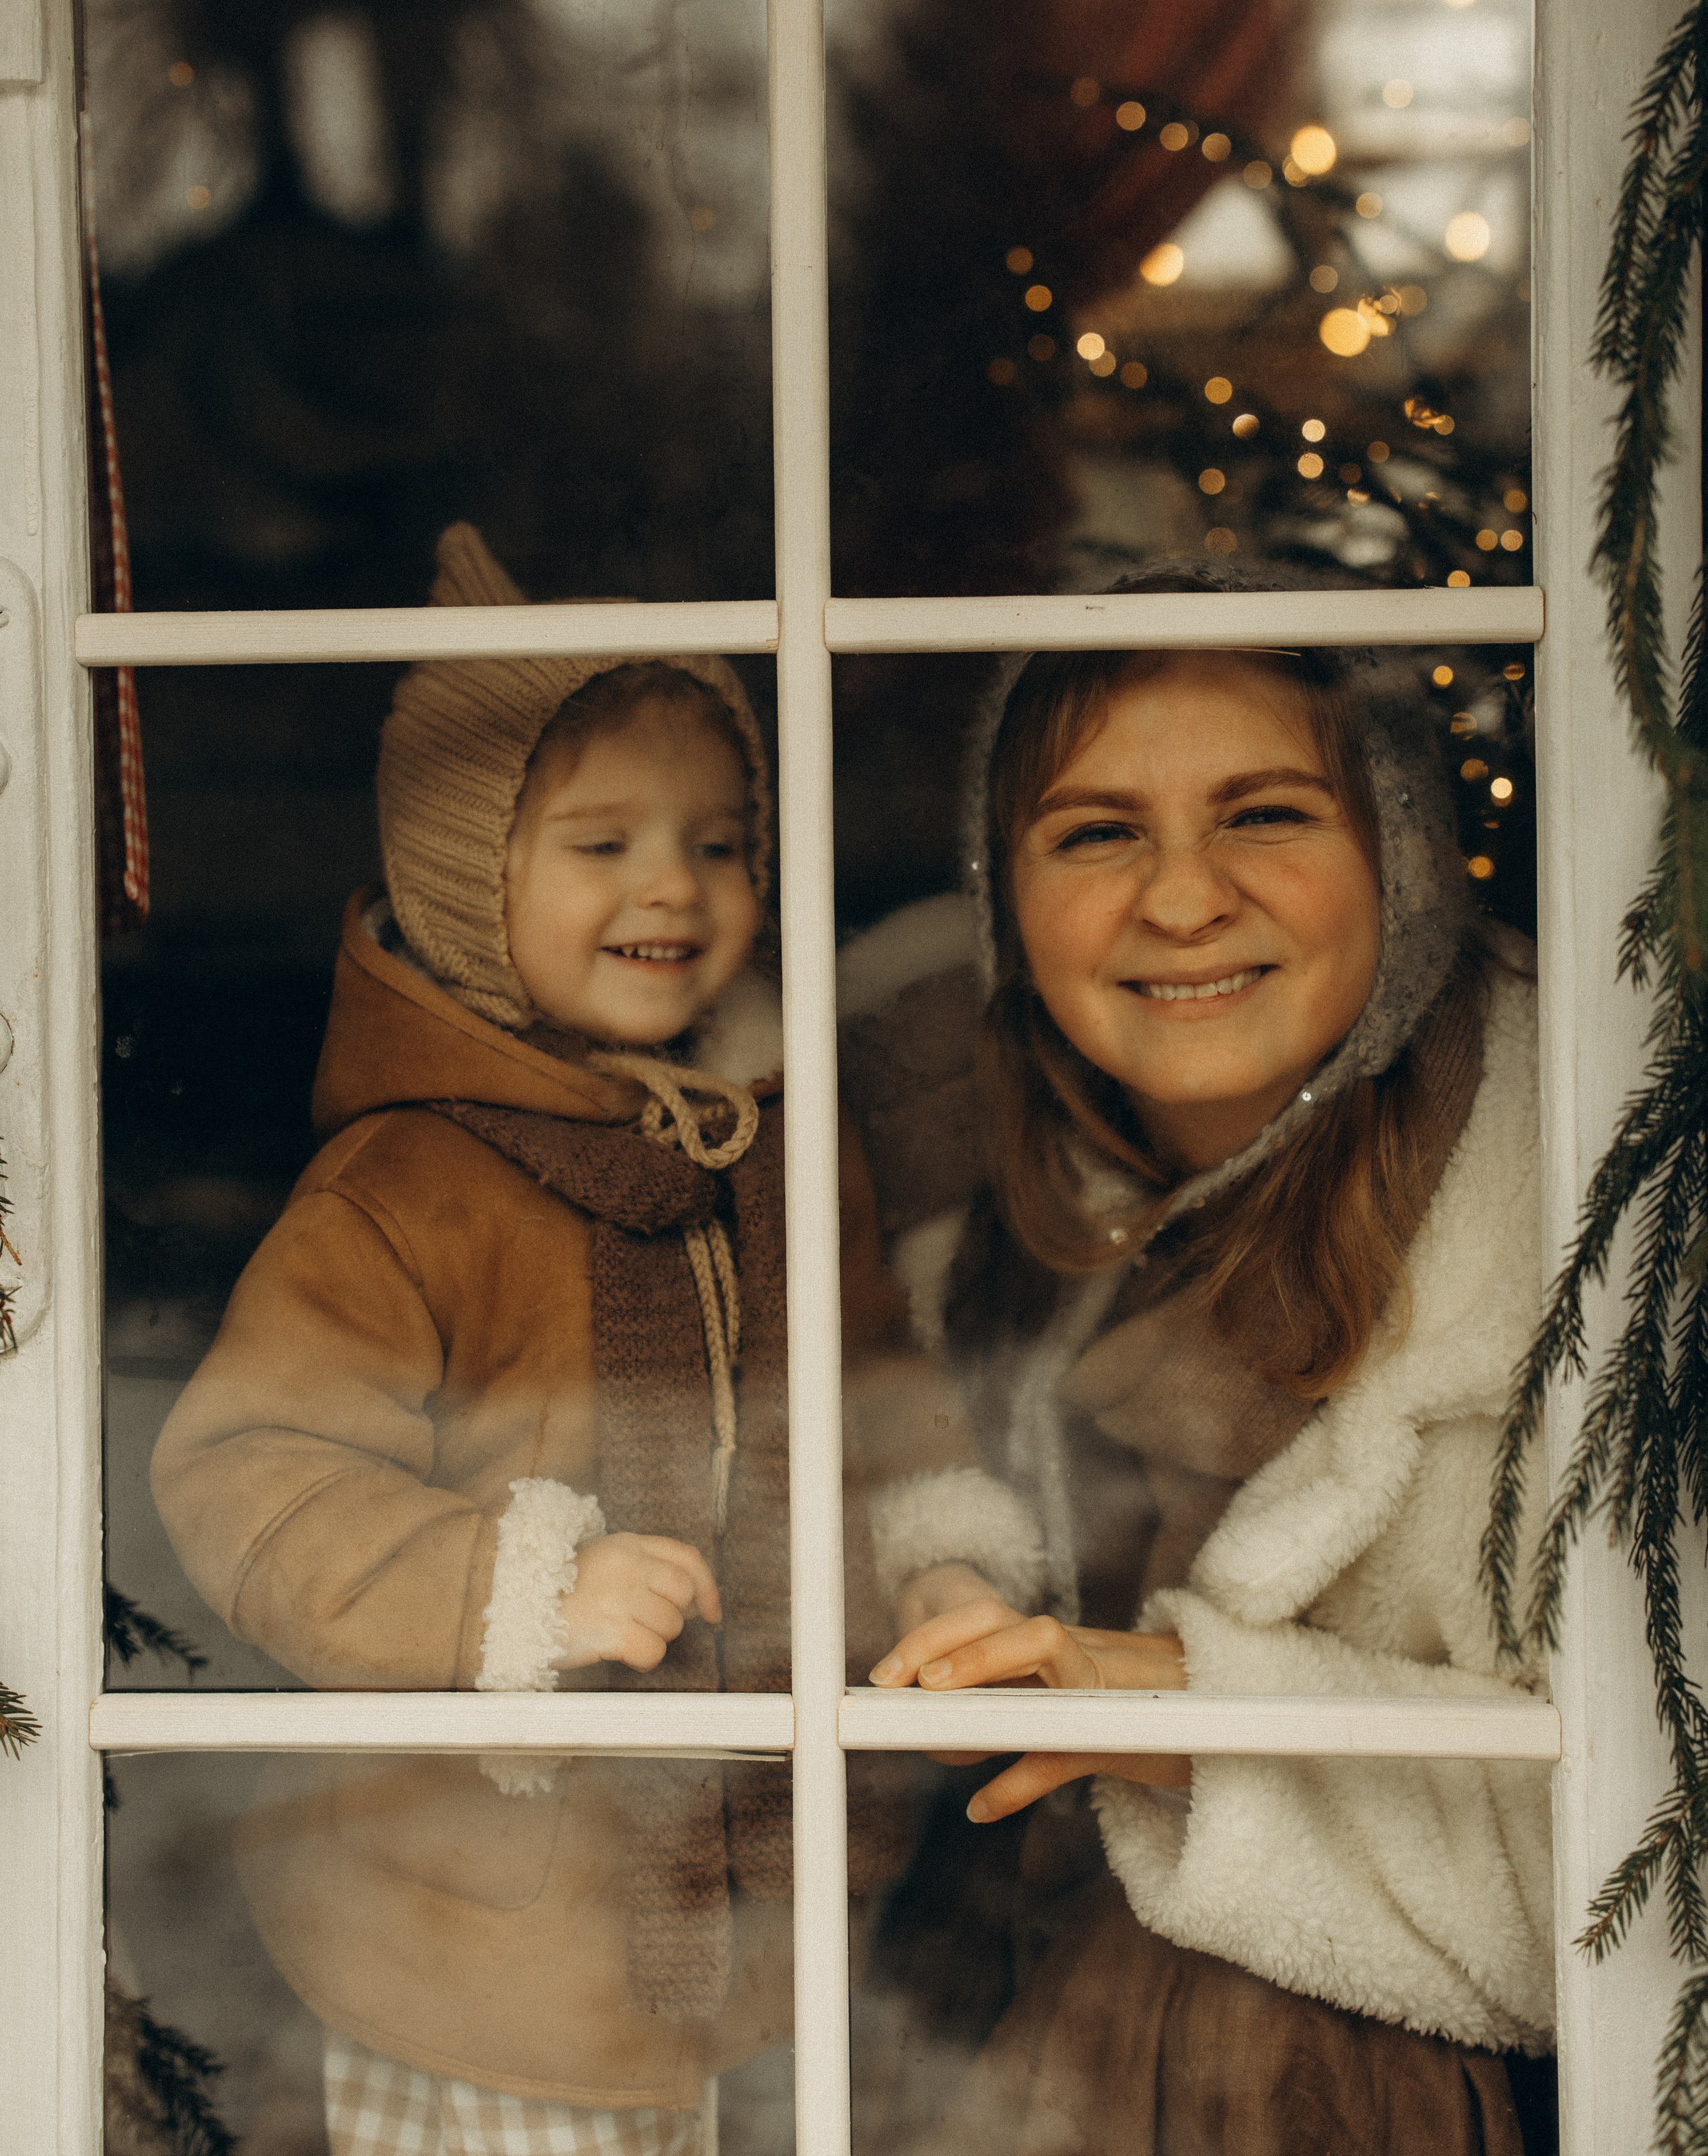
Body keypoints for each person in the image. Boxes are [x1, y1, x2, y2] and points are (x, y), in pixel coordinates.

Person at [150, 523, 993, 2156]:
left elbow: (874, 1385)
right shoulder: (407, 1184)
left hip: (762, 1914)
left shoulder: (771, 1141)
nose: (673, 887)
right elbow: (248, 1474)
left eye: (721, 843)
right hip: (478, 1939)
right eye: (601, 843)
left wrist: (935, 1558)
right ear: (470, 883)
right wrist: (513, 1586)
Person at [854, 570, 1555, 2156]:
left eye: (1265, 816)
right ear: (999, 895)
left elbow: (1637, 1884)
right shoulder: (925, 1202)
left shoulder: (1559, 1252)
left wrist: (1178, 1707)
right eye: (1096, 832)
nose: (1182, 902)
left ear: (1404, 858)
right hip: (951, 2055)